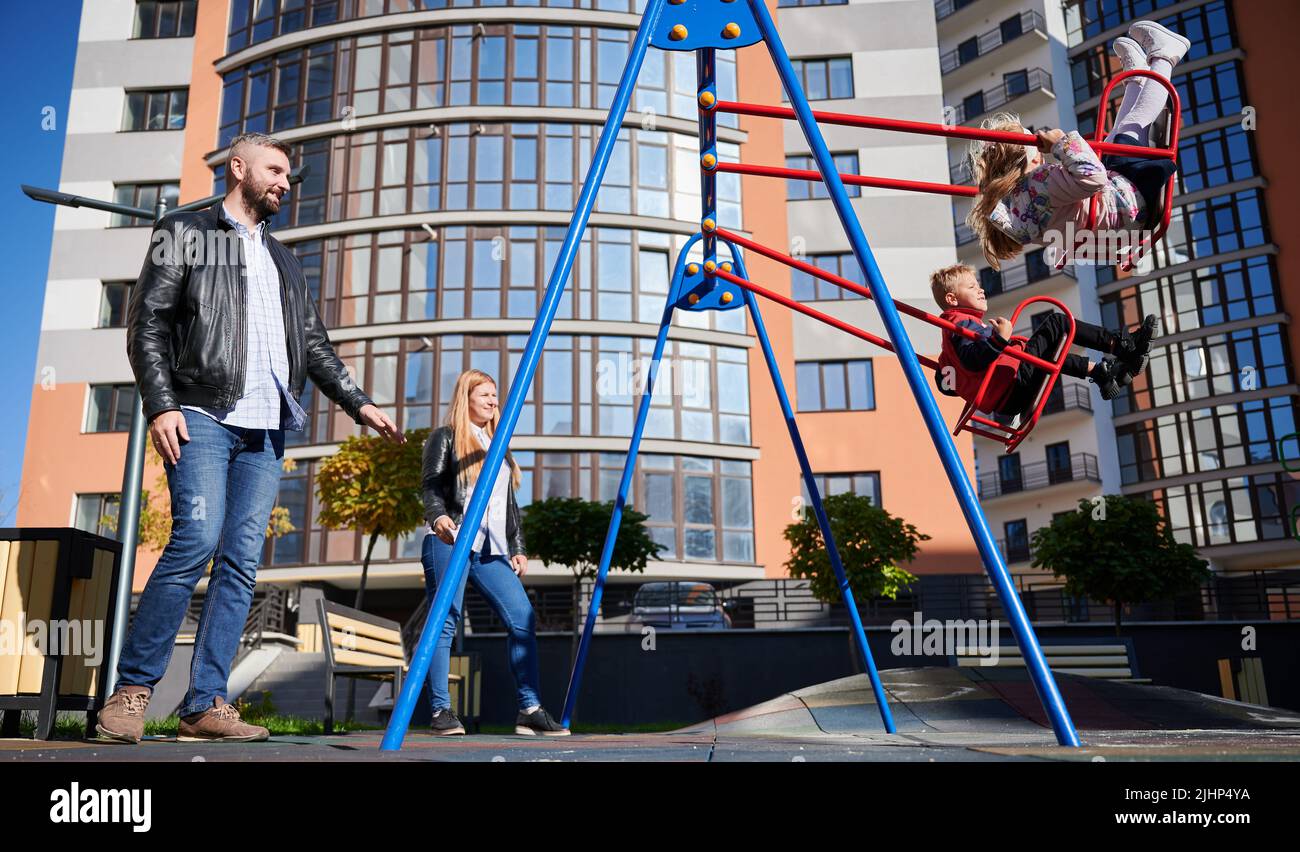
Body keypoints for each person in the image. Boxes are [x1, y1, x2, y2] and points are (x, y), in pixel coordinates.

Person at [95, 132, 405, 744]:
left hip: (266, 428)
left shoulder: (284, 260)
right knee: (196, 539)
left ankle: (205, 705)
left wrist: (359, 402)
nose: (285, 183)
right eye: (275, 171)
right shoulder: (184, 230)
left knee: (240, 563)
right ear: (238, 168)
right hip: (202, 412)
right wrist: (160, 406)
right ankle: (132, 692)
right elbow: (148, 322)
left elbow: (312, 345)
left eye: (289, 176)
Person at [966, 20, 1189, 268]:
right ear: (1024, 159)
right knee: (1131, 127)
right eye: (1029, 139)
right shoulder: (1037, 184)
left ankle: (1135, 80)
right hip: (1128, 201)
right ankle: (1165, 55)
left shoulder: (1019, 209)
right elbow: (1094, 178)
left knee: (1114, 140)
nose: (1036, 141)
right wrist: (1061, 143)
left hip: (1123, 218)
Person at [421, 369, 569, 737]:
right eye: (485, 394)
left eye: (495, 396)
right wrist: (438, 517)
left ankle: (529, 708)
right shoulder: (446, 437)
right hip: (451, 540)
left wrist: (517, 547)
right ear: (465, 398)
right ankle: (441, 711)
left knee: (523, 616)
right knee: (445, 621)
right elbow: (431, 487)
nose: (492, 401)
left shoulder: (497, 443)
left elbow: (509, 502)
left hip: (490, 549)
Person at [930, 264, 1156, 410]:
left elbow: (946, 384)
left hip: (1008, 399)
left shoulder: (950, 340)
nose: (981, 290)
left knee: (1036, 350)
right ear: (952, 299)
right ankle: (1122, 345)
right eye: (972, 287)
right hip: (1013, 387)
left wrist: (947, 378)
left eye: (979, 285)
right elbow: (972, 359)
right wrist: (999, 340)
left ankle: (1101, 372)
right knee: (1058, 322)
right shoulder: (959, 323)